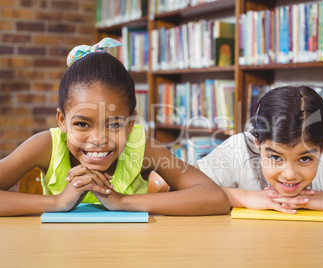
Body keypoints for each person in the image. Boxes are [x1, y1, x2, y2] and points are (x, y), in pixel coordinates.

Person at [0, 38, 230, 217]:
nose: (98, 139)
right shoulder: (46, 146)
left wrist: (120, 201)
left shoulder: (144, 149)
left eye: (114, 125)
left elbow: (214, 197)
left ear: (130, 125)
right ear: (62, 121)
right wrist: (57, 202)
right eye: (82, 124)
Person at [197, 85, 323, 215]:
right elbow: (180, 188)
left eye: (304, 159)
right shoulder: (238, 148)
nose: (289, 174)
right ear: (257, 144)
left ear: (322, 148)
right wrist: (241, 197)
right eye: (275, 157)